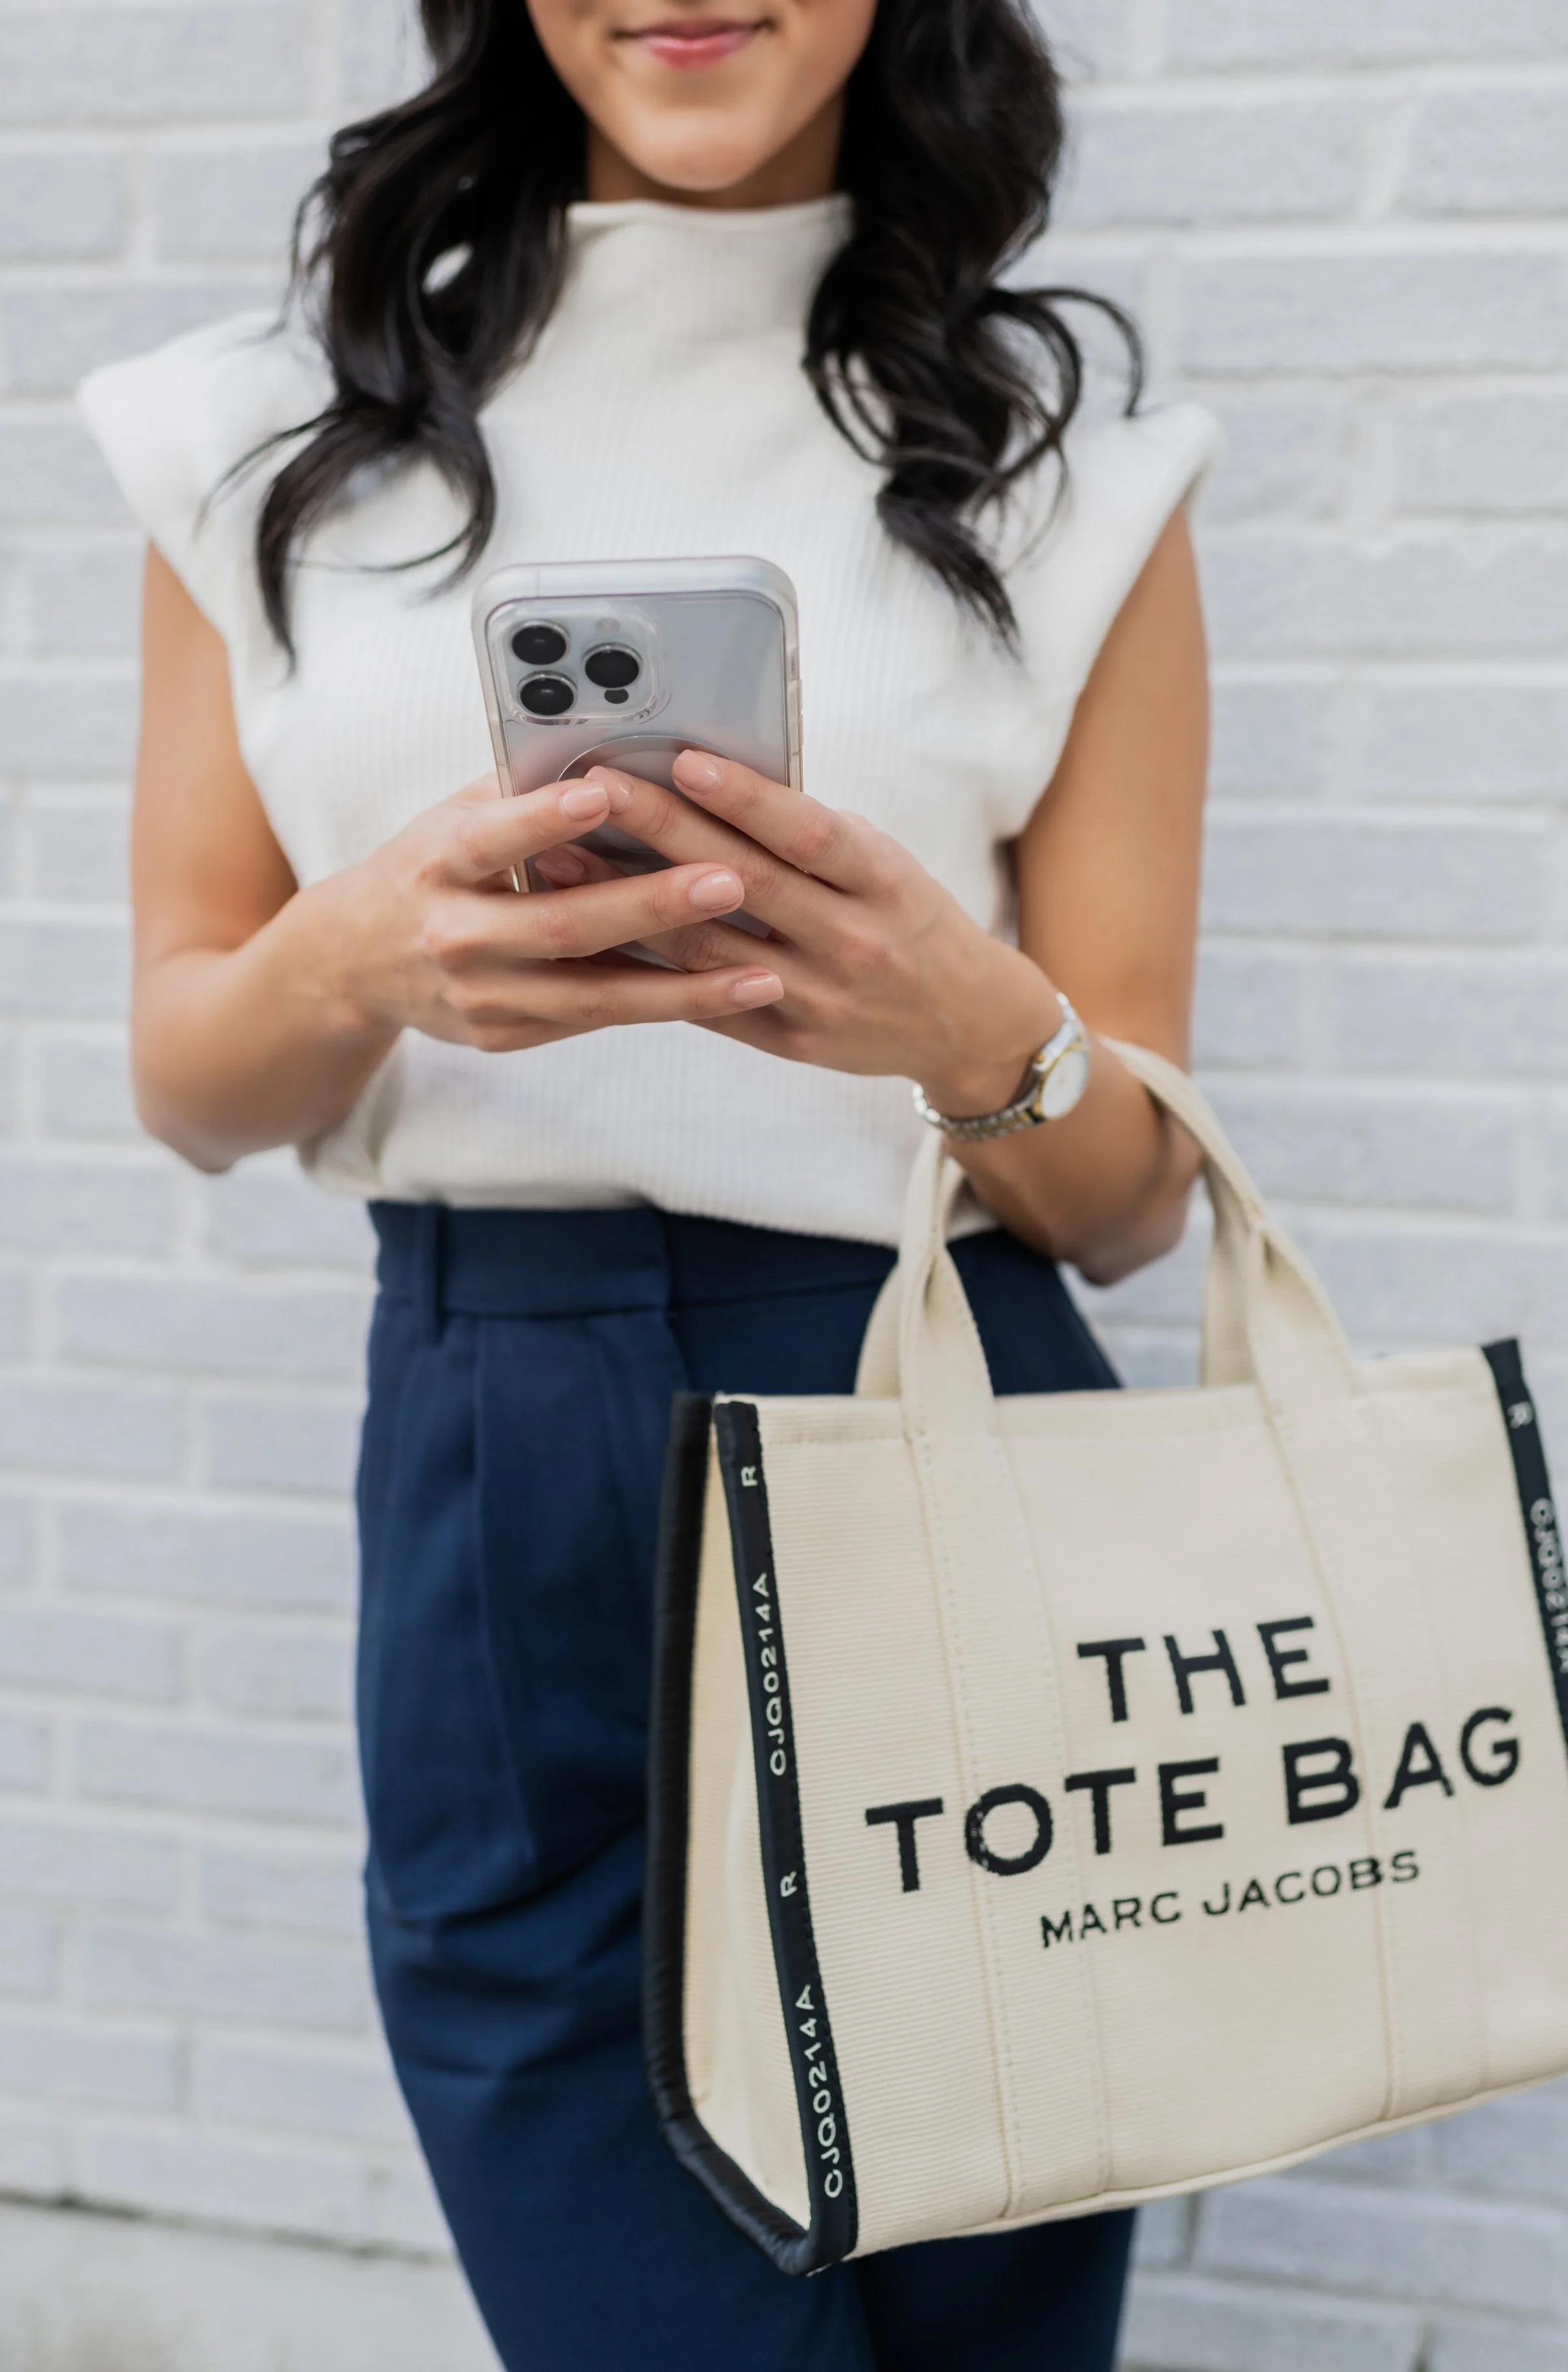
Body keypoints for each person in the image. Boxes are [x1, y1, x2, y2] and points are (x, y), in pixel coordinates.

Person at [79, 3, 1216, 2365]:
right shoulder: (260, 440)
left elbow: (1123, 1203)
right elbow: (195, 1079)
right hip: (505, 1423)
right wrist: (361, 949)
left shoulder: (1060, 461)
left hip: (944, 1392)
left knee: (982, 2305)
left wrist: (967, 1024)